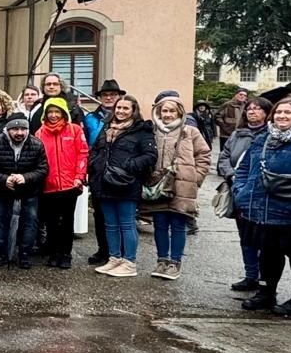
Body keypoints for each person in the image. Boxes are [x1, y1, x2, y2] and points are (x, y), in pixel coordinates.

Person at [233, 97, 291, 315]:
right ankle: (266, 293)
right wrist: (241, 193)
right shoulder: (262, 138)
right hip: (264, 210)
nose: (282, 116)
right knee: (268, 254)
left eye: (288, 113)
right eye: (278, 112)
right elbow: (244, 168)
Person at [140, 95, 212, 281]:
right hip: (158, 185)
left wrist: (195, 178)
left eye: (172, 111)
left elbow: (204, 155)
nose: (168, 114)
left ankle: (175, 262)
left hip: (182, 185)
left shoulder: (190, 132)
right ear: (158, 111)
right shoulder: (152, 131)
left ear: (179, 112)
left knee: (178, 225)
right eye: (165, 110)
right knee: (160, 224)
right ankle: (162, 260)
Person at [88, 95, 156, 277]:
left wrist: (129, 166)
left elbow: (150, 156)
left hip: (126, 183)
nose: (121, 111)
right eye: (119, 108)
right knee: (110, 225)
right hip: (104, 182)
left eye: (126, 108)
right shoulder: (107, 128)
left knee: (126, 224)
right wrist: (94, 167)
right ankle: (115, 258)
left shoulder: (142, 131)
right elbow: (96, 150)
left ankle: (129, 262)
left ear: (134, 111)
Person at [219, 97, 272, 291]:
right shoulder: (237, 135)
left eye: (258, 109)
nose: (252, 112)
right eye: (249, 109)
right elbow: (224, 158)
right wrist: (232, 175)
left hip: (262, 194)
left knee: (264, 241)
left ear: (267, 113)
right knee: (246, 237)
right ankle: (251, 275)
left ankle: (266, 279)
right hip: (239, 192)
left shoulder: (271, 135)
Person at [0, 117, 47, 268]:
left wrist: (25, 177)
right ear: (7, 130)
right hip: (2, 189)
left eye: (23, 129)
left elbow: (43, 169)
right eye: (15, 129)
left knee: (30, 222)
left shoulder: (37, 144)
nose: (19, 133)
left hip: (29, 190)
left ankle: (24, 256)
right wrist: (4, 179)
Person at [35, 97, 88, 270]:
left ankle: (66, 254)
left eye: (57, 111)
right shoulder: (40, 133)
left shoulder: (74, 130)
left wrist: (79, 176)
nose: (53, 115)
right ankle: (53, 252)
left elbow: (83, 153)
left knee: (66, 221)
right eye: (50, 112)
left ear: (64, 113)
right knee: (50, 222)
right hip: (48, 185)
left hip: (70, 184)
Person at [82, 79, 124, 266]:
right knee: (99, 213)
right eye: (105, 95)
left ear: (119, 97)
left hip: (119, 170)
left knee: (119, 214)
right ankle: (103, 250)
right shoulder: (90, 118)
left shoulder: (125, 117)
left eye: (112, 95)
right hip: (97, 169)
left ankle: (119, 252)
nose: (108, 98)